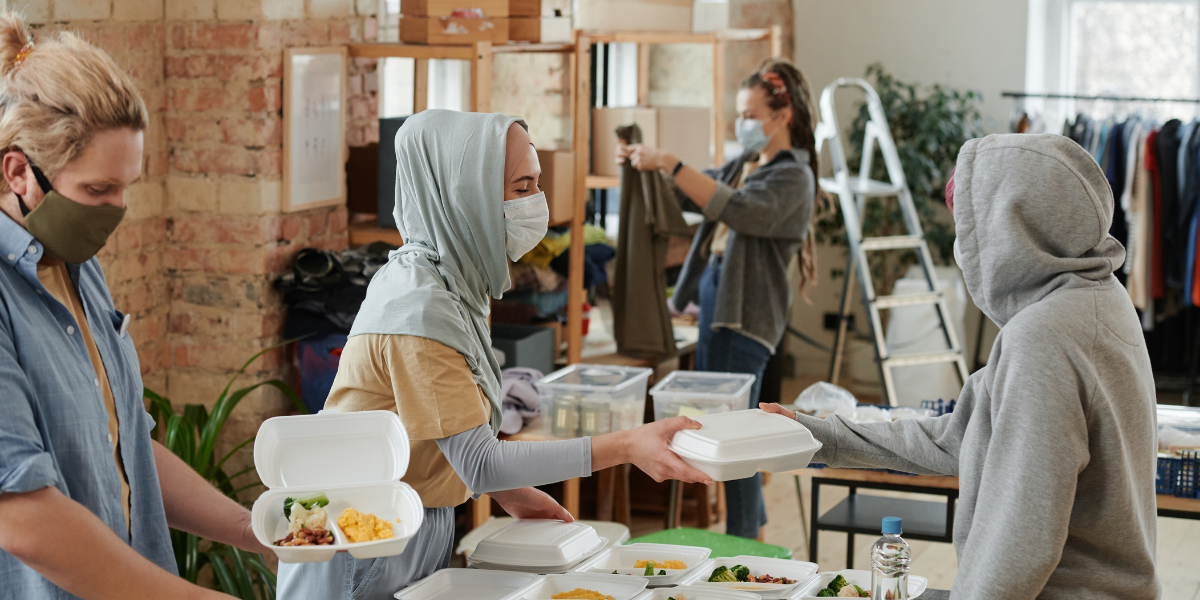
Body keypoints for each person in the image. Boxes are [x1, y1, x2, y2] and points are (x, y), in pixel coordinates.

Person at [278, 109, 712, 599]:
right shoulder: (418, 306)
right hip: (363, 540)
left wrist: (509, 490)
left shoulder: (454, 284)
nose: (537, 204)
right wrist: (628, 445)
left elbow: (448, 441)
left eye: (536, 185)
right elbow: (479, 461)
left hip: (413, 519)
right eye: (521, 187)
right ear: (466, 193)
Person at [763, 134, 1160, 599]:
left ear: (1008, 230)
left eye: (967, 230)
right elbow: (967, 437)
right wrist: (817, 436)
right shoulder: (1100, 297)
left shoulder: (1042, 337)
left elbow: (1021, 542)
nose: (963, 247)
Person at [0, 13, 271, 600]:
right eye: (98, 191)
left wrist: (261, 532)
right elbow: (22, 517)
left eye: (127, 189)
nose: (116, 212)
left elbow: (127, 447)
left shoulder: (77, 263)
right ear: (20, 172)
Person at [618, 59, 820, 539]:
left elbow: (735, 209)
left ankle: (745, 543)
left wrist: (669, 161)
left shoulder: (794, 178)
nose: (743, 124)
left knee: (732, 441)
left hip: (745, 316)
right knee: (727, 431)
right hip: (719, 304)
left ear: (782, 114)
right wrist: (647, 168)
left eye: (750, 113)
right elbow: (696, 194)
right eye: (740, 114)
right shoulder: (747, 164)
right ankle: (754, 535)